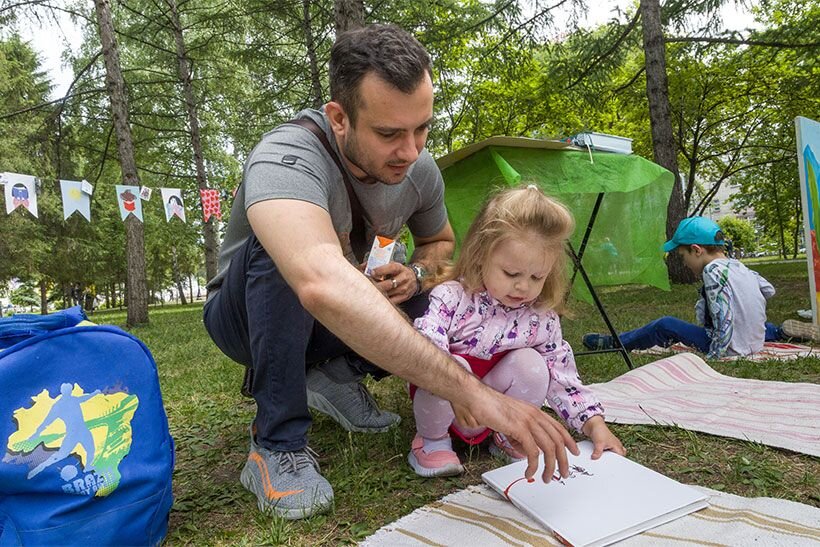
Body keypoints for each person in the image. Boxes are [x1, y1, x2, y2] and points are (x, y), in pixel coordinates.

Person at [203, 24, 579, 520]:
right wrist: (475, 394)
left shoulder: (419, 170)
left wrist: (418, 275)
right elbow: (316, 281)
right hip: (246, 322)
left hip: (334, 319)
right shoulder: (286, 157)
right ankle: (276, 443)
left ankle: (330, 375)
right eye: (388, 133)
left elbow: (441, 245)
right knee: (281, 258)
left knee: (442, 297)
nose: (411, 151)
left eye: (422, 128)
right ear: (339, 118)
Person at [408, 185, 625, 477]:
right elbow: (424, 343)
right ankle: (432, 442)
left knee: (532, 365)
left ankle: (509, 435)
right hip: (448, 409)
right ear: (480, 255)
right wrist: (453, 385)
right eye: (511, 274)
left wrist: (595, 424)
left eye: (537, 276)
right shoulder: (452, 297)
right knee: (446, 364)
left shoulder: (541, 318)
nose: (523, 287)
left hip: (499, 415)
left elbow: (562, 375)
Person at [583, 216, 819, 358]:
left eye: (683, 255)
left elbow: (724, 315)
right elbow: (769, 290)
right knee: (752, 324)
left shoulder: (713, 273)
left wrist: (717, 354)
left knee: (665, 325)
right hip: (754, 339)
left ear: (697, 250)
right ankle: (778, 332)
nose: (684, 262)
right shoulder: (739, 267)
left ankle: (615, 342)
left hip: (729, 347)